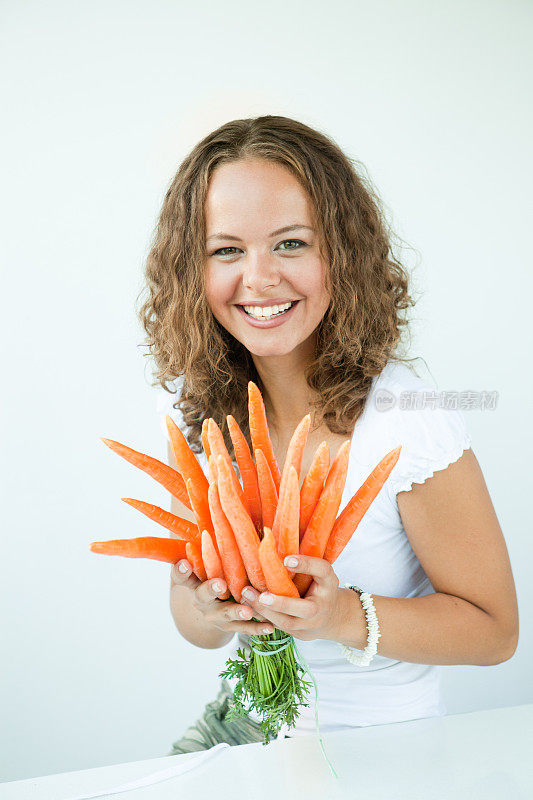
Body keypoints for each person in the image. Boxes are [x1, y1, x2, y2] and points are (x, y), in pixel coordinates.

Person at [138, 115, 519, 754]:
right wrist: (207, 611)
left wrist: (342, 616)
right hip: (240, 731)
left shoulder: (404, 419)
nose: (258, 279)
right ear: (190, 269)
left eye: (291, 243)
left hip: (377, 748)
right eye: (225, 249)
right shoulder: (198, 411)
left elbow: (494, 632)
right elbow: (192, 622)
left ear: (339, 252)